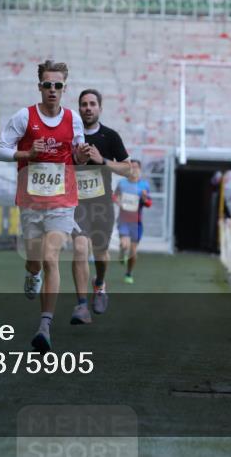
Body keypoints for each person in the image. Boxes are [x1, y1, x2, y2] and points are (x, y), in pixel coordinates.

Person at [0, 60, 90, 352]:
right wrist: (26, 152)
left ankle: (44, 326)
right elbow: (0, 150)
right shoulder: (24, 117)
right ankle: (31, 274)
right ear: (39, 86)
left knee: (51, 257)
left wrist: (83, 155)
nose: (52, 90)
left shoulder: (73, 119)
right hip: (31, 201)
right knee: (35, 260)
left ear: (64, 88)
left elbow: (79, 156)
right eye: (47, 85)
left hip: (62, 201)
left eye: (57, 85)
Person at [71, 89, 131, 324]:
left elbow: (128, 169)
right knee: (79, 248)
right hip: (77, 204)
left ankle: (99, 283)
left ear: (100, 108)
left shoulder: (110, 136)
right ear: (79, 108)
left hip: (102, 204)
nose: (88, 107)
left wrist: (102, 161)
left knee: (101, 253)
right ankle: (81, 305)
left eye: (92, 104)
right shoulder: (72, 136)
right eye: (84, 104)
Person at [114, 160, 152, 284]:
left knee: (133, 252)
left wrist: (145, 199)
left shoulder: (144, 186)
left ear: (140, 170)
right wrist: (118, 201)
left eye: (136, 167)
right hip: (124, 219)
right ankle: (121, 252)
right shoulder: (122, 183)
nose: (134, 169)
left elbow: (149, 203)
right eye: (132, 167)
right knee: (125, 244)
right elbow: (114, 196)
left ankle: (129, 273)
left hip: (136, 222)